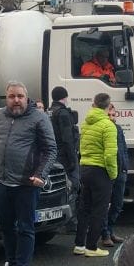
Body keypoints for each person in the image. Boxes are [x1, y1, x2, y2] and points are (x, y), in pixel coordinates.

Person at [0, 81, 57, 266]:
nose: (16, 100)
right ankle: (10, 264)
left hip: (27, 182)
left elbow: (50, 149)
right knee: (5, 225)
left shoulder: (39, 117)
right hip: (3, 181)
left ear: (26, 97)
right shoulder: (0, 116)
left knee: (25, 227)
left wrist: (41, 174)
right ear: (6, 98)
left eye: (20, 96)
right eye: (12, 96)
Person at [73, 93, 119, 258]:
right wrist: (113, 174)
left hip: (85, 167)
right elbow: (110, 155)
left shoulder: (86, 123)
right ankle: (92, 246)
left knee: (84, 208)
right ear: (108, 105)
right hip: (101, 171)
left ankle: (79, 244)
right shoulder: (108, 125)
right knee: (99, 210)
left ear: (94, 104)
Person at [49, 85, 81, 229]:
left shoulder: (51, 112)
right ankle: (71, 222)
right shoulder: (63, 114)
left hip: (55, 155)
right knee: (73, 187)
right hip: (65, 156)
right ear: (64, 97)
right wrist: (72, 160)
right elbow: (67, 138)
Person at [100, 110, 131, 248]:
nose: (112, 118)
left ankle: (110, 230)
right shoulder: (102, 128)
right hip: (107, 172)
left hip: (120, 171)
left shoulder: (118, 129)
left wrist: (125, 166)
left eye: (114, 115)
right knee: (105, 204)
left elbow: (123, 148)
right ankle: (105, 234)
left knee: (118, 204)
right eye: (109, 115)